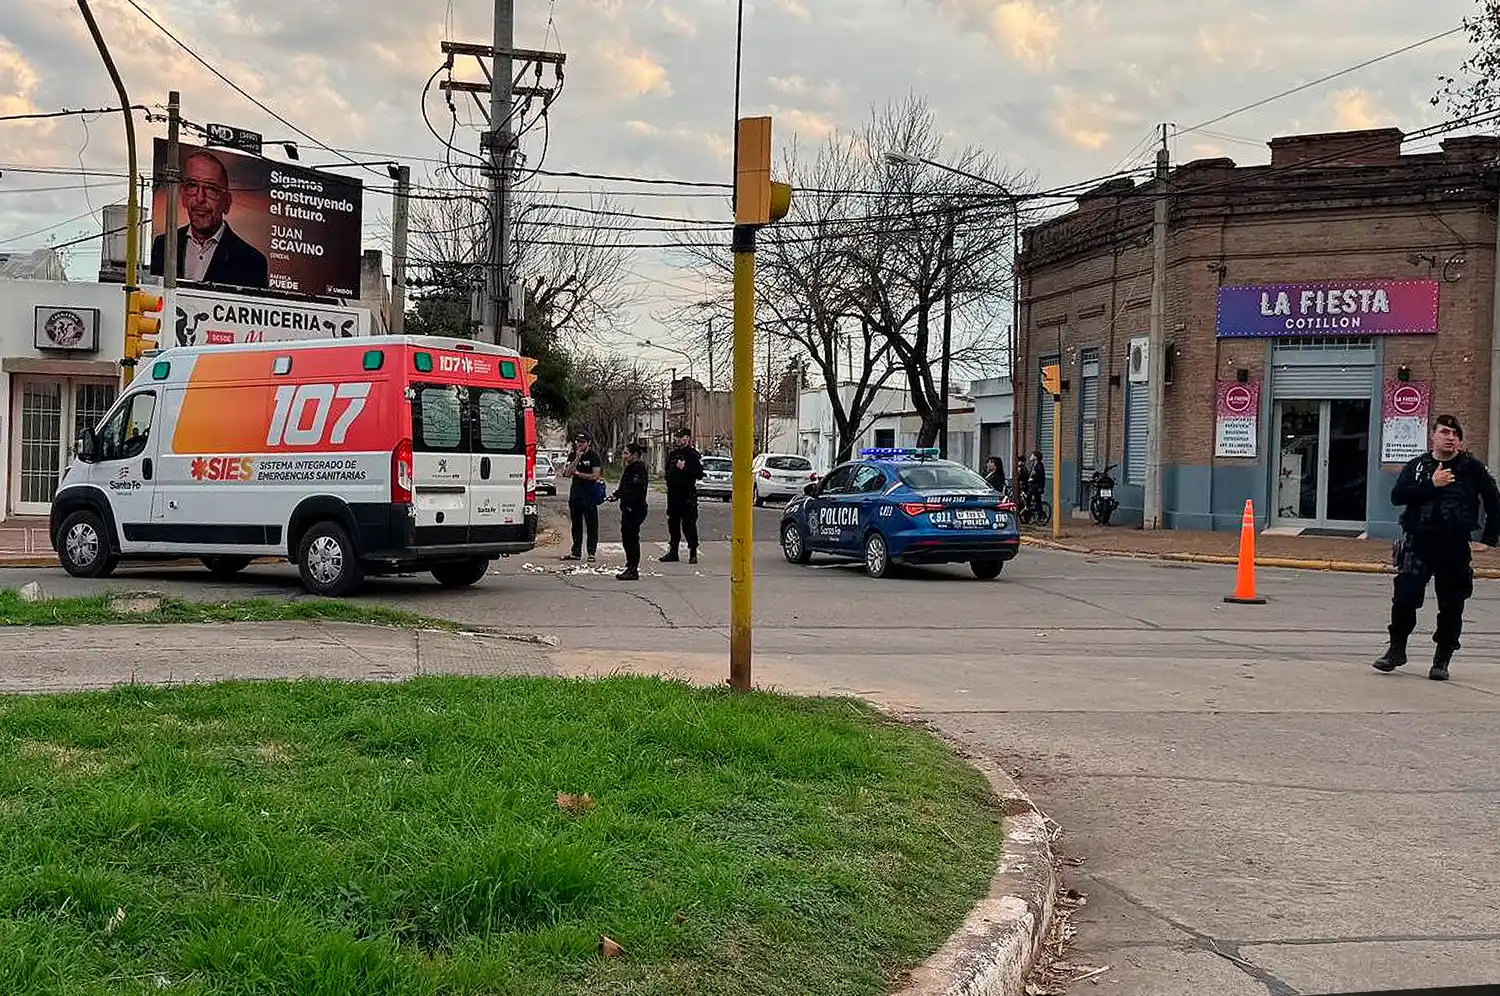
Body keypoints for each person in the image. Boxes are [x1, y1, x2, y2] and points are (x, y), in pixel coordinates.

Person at [1375, 414, 1500, 680]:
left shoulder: (1471, 468)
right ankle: (1396, 650)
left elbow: (1493, 502)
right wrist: (1432, 484)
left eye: (1455, 434)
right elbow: (1398, 496)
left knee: (1452, 604)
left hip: (1453, 545)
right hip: (1418, 543)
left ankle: (1442, 659)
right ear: (1433, 436)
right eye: (1445, 432)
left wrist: (1488, 539)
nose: (1450, 437)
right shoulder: (1418, 466)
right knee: (1405, 598)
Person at [150, 148, 269, 289]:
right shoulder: (163, 245)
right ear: (183, 196)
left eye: (211, 189)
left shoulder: (252, 261)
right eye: (192, 186)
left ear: (227, 202)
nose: (200, 198)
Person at [608, 441, 650, 581]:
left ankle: (633, 568)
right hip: (627, 507)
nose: (624, 456)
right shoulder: (630, 468)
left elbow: (637, 490)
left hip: (635, 509)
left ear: (635, 455)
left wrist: (629, 503)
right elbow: (624, 487)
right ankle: (630, 566)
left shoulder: (639, 469)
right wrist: (616, 495)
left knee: (631, 538)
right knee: (627, 537)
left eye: (627, 453)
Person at [661, 426, 704, 564]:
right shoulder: (673, 454)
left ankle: (693, 552)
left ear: (687, 438)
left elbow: (699, 474)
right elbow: (668, 470)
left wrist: (684, 468)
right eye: (677, 438)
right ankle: (673, 551)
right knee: (673, 523)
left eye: (681, 438)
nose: (679, 440)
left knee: (689, 524)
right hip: (673, 494)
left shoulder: (692, 455)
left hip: (687, 494)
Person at [560, 432, 603, 562]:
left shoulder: (594, 456)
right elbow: (567, 473)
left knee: (591, 525)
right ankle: (576, 551)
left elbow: (595, 476)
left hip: (589, 495)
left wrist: (578, 473)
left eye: (582, 442)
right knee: (576, 525)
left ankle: (591, 552)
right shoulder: (573, 455)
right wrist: (577, 459)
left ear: (588, 443)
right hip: (576, 495)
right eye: (578, 442)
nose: (580, 444)